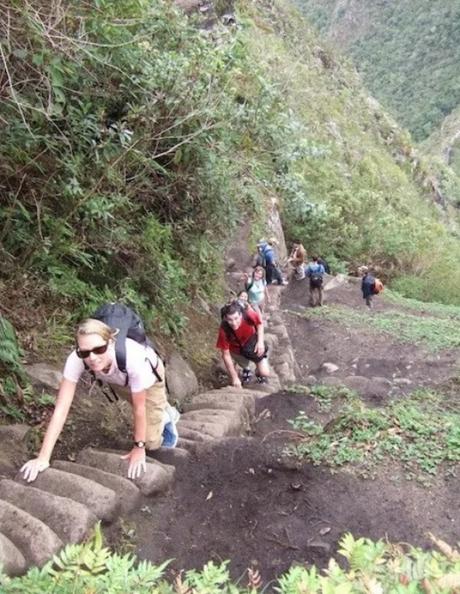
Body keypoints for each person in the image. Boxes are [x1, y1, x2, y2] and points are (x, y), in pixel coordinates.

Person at [21, 318, 178, 483]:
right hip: (119, 379)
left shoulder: (133, 359)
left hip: (149, 379)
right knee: (140, 407)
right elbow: (61, 408)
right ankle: (159, 409)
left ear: (110, 342)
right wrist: (43, 458)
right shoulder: (77, 359)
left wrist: (139, 447)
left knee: (150, 442)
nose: (92, 357)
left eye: (99, 349)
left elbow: (139, 408)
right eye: (85, 352)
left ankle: (167, 415)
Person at [216, 302, 270, 387]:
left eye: (236, 318)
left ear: (241, 315)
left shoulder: (248, 315)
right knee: (244, 365)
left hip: (252, 344)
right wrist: (234, 378)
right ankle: (246, 369)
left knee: (265, 372)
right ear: (225, 318)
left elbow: (259, 324)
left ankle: (258, 371)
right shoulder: (224, 329)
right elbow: (225, 355)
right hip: (237, 351)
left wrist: (260, 342)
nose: (234, 323)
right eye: (230, 319)